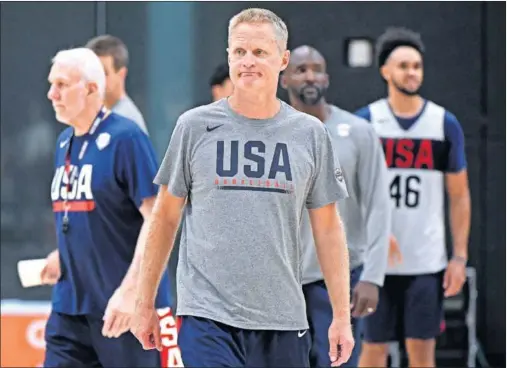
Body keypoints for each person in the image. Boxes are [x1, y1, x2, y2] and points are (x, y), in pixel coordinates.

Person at [131, 8, 354, 368]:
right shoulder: (194, 127)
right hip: (207, 317)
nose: (247, 62)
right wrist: (144, 303)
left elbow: (328, 228)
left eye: (259, 52)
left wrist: (341, 317)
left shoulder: (309, 134)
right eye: (239, 52)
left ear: (282, 60)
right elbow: (165, 218)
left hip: (283, 319)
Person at [42, 47, 171, 367]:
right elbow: (87, 213)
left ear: (91, 88)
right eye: (51, 83)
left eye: (61, 84)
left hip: (123, 309)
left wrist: (132, 293)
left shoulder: (126, 138)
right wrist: (64, 254)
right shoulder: (64, 142)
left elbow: (157, 219)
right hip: (71, 307)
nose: (51, 93)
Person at [355, 27, 471, 368]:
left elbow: (460, 195)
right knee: (372, 350)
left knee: (421, 351)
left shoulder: (444, 124)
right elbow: (347, 192)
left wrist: (459, 257)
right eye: (404, 65)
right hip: (376, 264)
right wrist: (370, 234)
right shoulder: (366, 122)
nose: (412, 72)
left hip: (426, 261)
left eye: (417, 66)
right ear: (385, 72)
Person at [281, 45, 391, 367]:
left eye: (317, 69)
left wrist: (374, 276)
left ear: (327, 78)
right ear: (284, 78)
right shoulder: (271, 133)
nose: (310, 76)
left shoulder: (358, 132)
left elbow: (379, 206)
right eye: (301, 70)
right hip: (283, 280)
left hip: (340, 278)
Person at [86, 34, 148, 134]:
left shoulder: (126, 124)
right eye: (92, 72)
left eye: (104, 73)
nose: (96, 79)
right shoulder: (96, 116)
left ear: (121, 74)